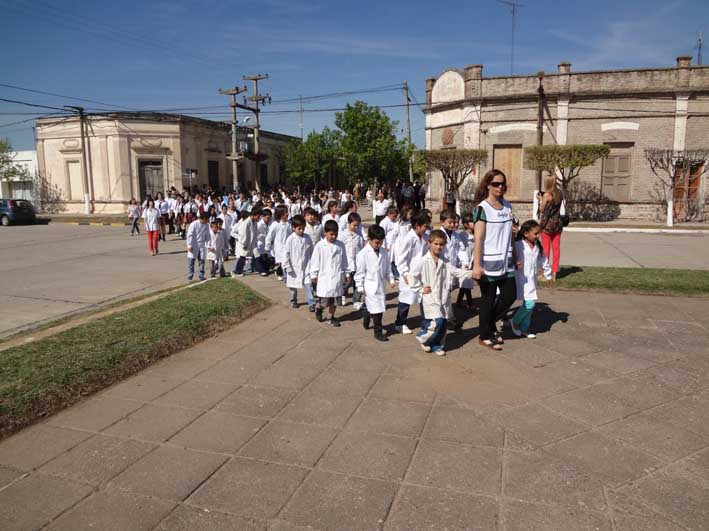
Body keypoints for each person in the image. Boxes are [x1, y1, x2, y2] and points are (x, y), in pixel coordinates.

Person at [410, 230, 475, 356]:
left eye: (441, 244)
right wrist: (420, 288)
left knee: (444, 324)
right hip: (430, 297)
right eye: (436, 244)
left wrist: (472, 273)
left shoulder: (445, 261)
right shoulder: (423, 261)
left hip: (443, 297)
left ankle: (437, 345)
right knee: (436, 322)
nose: (439, 247)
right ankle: (423, 338)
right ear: (429, 243)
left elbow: (456, 271)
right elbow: (412, 276)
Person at [472, 169, 517, 351]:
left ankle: (489, 325)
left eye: (502, 184)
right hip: (488, 263)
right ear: (488, 185)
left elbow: (510, 234)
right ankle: (485, 335)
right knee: (488, 300)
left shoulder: (507, 206)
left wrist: (515, 256)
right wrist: (476, 265)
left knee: (509, 295)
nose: (500, 187)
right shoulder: (482, 209)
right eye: (496, 184)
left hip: (506, 261)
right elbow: (479, 238)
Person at [510, 220, 553, 339]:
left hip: (532, 279)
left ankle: (524, 329)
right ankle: (515, 321)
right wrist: (515, 262)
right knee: (530, 304)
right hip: (521, 279)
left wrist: (548, 275)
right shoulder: (518, 245)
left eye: (538, 233)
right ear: (526, 234)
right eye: (535, 233)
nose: (538, 236)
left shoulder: (537, 246)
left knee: (529, 303)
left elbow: (543, 260)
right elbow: (510, 256)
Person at [355, 224, 395, 342]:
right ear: (370, 240)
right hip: (370, 285)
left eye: (381, 242)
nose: (379, 245)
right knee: (377, 310)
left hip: (381, 285)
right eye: (377, 242)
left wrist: (391, 279)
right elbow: (360, 272)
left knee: (378, 307)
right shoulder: (363, 253)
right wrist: (360, 286)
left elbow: (387, 268)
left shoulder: (384, 252)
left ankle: (366, 315)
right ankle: (378, 332)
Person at [394, 210, 429, 334]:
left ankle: (426, 323)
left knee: (424, 298)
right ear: (417, 225)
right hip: (409, 274)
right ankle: (400, 323)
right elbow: (401, 258)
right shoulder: (408, 238)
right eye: (425, 226)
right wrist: (404, 273)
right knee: (406, 299)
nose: (427, 228)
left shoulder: (425, 238)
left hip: (422, 274)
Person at [310, 220, 347, 326]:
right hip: (324, 277)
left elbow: (344, 260)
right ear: (325, 233)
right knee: (324, 301)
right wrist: (313, 275)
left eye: (336, 234)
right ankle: (318, 307)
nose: (333, 236)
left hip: (336, 276)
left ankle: (330, 317)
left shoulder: (340, 246)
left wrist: (346, 272)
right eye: (331, 234)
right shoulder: (320, 246)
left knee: (335, 300)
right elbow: (314, 262)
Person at [283, 215, 314, 309]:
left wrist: (313, 262)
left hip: (306, 265)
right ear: (293, 228)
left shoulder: (307, 238)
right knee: (293, 287)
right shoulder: (290, 239)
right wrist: (287, 266)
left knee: (308, 285)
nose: (301, 231)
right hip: (293, 266)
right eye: (299, 228)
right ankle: (293, 300)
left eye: (303, 228)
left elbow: (311, 250)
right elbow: (286, 254)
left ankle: (311, 302)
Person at [538, 174, 564, 282]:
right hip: (557, 224)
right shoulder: (559, 194)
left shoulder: (547, 195)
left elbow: (542, 210)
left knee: (546, 250)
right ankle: (554, 272)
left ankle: (545, 273)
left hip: (547, 226)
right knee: (556, 248)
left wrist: (541, 200)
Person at [338, 212, 364, 308]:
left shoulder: (359, 235)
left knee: (358, 282)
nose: (356, 227)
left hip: (357, 263)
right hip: (347, 263)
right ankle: (342, 295)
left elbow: (361, 248)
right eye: (354, 225)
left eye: (358, 225)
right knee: (346, 282)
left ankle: (356, 300)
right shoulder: (343, 235)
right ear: (348, 223)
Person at [265, 205, 291, 281]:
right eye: (285, 213)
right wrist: (268, 246)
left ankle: (284, 273)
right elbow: (269, 236)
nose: (287, 214)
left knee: (287, 261)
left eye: (287, 212)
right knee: (282, 261)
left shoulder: (289, 223)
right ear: (280, 214)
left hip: (288, 246)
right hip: (279, 247)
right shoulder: (275, 225)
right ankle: (281, 273)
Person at [232, 208, 260, 277]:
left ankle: (239, 270)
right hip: (245, 243)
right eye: (258, 216)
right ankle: (237, 271)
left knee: (245, 257)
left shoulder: (254, 222)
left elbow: (255, 232)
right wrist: (244, 243)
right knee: (242, 257)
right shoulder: (246, 222)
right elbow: (243, 233)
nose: (259, 218)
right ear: (254, 215)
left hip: (250, 242)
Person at [456, 213, 476, 308]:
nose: (475, 224)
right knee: (466, 282)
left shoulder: (475, 235)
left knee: (466, 283)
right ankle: (470, 303)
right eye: (472, 222)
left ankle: (459, 301)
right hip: (463, 263)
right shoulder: (462, 236)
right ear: (466, 224)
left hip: (471, 262)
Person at [186, 212, 210, 281]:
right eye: (206, 220)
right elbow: (189, 235)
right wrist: (189, 245)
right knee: (191, 262)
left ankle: (201, 275)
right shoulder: (194, 224)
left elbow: (208, 236)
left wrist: (208, 245)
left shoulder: (206, 225)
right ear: (202, 219)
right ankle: (190, 276)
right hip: (194, 244)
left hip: (202, 245)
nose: (206, 221)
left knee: (202, 261)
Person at [256, 208, 272, 276]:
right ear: (263, 216)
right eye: (267, 217)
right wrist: (264, 236)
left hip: (267, 243)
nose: (269, 219)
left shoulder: (270, 223)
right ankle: (261, 270)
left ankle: (265, 269)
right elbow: (256, 234)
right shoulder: (259, 224)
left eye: (270, 218)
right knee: (260, 257)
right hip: (260, 242)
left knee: (266, 257)